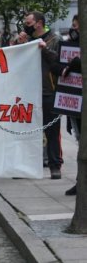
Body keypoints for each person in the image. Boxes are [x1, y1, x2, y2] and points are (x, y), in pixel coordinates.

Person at [24, 11, 63, 179]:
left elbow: (59, 63)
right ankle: (26, 165)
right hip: (28, 91)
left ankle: (55, 165)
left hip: (48, 91)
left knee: (52, 130)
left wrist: (44, 49)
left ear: (39, 23)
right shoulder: (27, 40)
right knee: (27, 130)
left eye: (29, 22)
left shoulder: (54, 40)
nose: (27, 25)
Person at [61, 15, 81, 195]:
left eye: (76, 26)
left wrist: (73, 64)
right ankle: (80, 182)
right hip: (76, 105)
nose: (73, 30)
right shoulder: (71, 46)